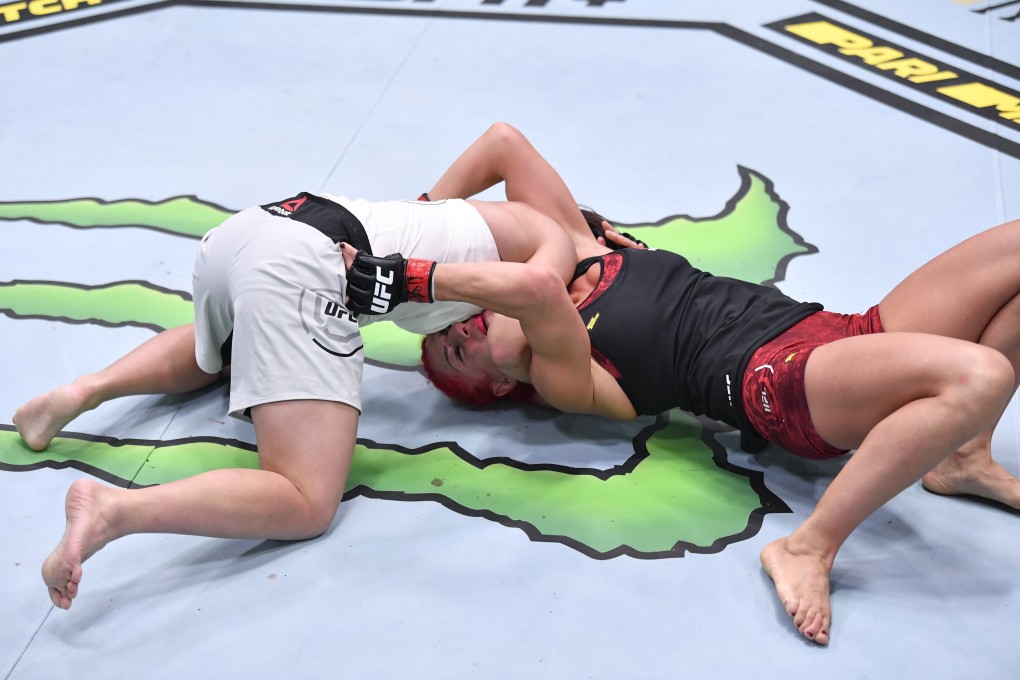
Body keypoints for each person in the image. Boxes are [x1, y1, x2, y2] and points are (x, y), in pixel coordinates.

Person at [341, 122, 1020, 646]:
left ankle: (963, 457)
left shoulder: (581, 252)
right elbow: (536, 293)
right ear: (493, 388)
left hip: (841, 333)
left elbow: (503, 144)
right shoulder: (558, 369)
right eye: (454, 357)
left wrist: (415, 222)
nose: (458, 335)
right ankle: (807, 547)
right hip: (778, 384)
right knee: (980, 375)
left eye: (449, 328)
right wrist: (407, 274)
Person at [12, 185, 578, 611]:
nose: (462, 334)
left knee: (234, 353)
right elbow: (532, 306)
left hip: (252, 230)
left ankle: (80, 391)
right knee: (306, 499)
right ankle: (114, 512)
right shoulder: (551, 247)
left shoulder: (471, 219)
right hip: (304, 264)